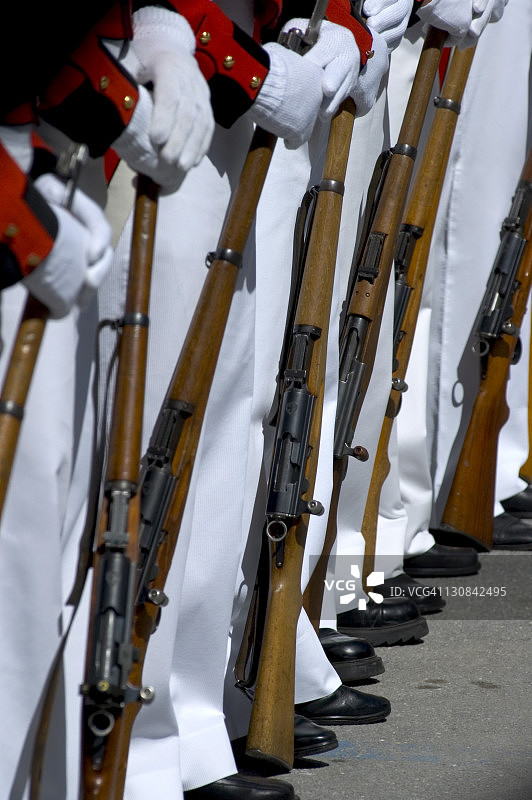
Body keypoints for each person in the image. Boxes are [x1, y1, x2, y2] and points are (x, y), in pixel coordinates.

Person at [96, 3, 418, 799]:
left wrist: (341, 27)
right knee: (160, 446)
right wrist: (229, 56)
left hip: (250, 65)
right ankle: (141, 741)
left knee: (233, 432)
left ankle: (192, 724)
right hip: (172, 81)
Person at [0, 3, 216, 798]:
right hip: (25, 182)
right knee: (18, 564)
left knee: (52, 559)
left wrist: (152, 36)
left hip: (56, 159)